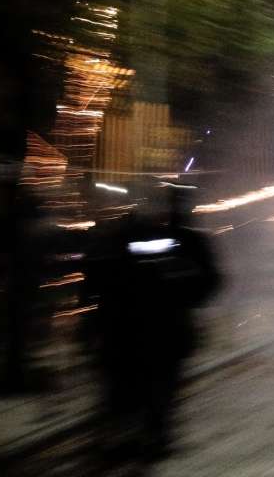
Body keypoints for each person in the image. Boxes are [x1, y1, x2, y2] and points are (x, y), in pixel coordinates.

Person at [84, 182, 221, 460]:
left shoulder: (125, 235)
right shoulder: (188, 240)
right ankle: (151, 435)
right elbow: (210, 281)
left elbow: (100, 276)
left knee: (125, 385)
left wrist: (94, 320)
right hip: (165, 329)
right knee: (160, 386)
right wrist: (188, 300)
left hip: (127, 328)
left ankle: (125, 437)